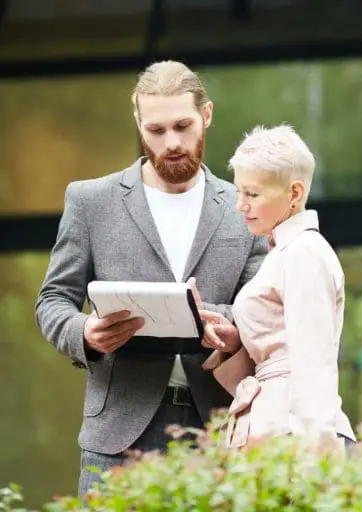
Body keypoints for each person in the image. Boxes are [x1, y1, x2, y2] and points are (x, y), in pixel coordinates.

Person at [34, 60, 268, 496]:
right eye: (156, 130)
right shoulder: (90, 202)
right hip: (116, 438)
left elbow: (264, 306)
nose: (172, 143)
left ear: (208, 115)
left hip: (221, 429)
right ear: (138, 123)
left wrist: (231, 330)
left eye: (183, 125)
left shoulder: (245, 209)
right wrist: (85, 332)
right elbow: (52, 301)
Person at [197, 124, 356, 452]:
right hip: (278, 428)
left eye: (252, 194)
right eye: (239, 192)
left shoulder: (304, 252)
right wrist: (234, 340)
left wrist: (320, 464)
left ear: (295, 193)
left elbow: (313, 363)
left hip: (295, 437)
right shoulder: (283, 252)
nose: (240, 205)